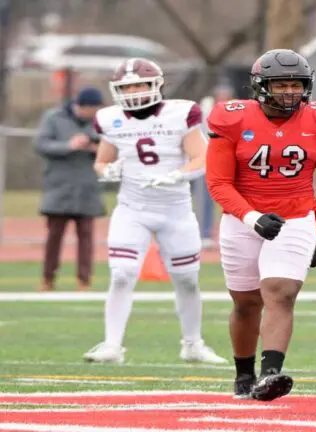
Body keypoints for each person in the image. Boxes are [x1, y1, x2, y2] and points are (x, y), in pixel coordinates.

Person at [206, 49, 316, 401]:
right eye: (280, 84)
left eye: (296, 85)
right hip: (242, 219)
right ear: (260, 86)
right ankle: (243, 373)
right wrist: (252, 218)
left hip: (296, 217)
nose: (289, 93)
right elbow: (218, 183)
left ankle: (271, 374)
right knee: (246, 302)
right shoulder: (232, 118)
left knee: (281, 292)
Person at [83, 58, 226, 366]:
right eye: (127, 86)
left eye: (139, 85)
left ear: (156, 85)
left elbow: (202, 157)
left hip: (175, 209)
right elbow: (102, 162)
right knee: (121, 274)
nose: (133, 92)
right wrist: (107, 171)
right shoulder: (110, 119)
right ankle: (111, 345)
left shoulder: (179, 114)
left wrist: (177, 175)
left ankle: (192, 344)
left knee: (186, 279)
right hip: (132, 207)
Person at [35, 87, 106, 292]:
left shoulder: (100, 123)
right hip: (59, 188)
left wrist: (97, 149)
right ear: (80, 106)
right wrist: (69, 145)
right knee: (54, 236)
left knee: (86, 236)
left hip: (87, 189)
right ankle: (48, 279)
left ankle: (84, 281)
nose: (93, 114)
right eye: (91, 109)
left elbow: (111, 149)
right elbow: (41, 144)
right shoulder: (53, 118)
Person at [197, 83, 236, 249]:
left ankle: (234, 234)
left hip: (230, 162)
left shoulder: (236, 110)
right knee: (204, 199)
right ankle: (205, 234)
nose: (222, 98)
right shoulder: (204, 109)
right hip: (207, 160)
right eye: (220, 95)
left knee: (233, 200)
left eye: (225, 95)